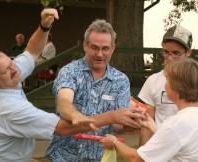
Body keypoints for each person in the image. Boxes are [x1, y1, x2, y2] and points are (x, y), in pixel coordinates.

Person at [0, 9, 145, 162]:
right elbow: (62, 123)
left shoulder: (8, 75)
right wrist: (108, 116)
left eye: (11, 62)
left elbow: (32, 51)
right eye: (6, 69)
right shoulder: (10, 108)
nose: (15, 69)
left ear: (113, 48)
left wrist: (44, 27)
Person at [45, 19, 142, 162]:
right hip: (62, 157)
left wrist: (126, 126)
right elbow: (64, 102)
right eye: (94, 48)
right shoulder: (70, 71)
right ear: (85, 46)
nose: (100, 54)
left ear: (113, 48)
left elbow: (116, 123)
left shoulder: (120, 80)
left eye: (105, 48)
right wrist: (75, 115)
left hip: (99, 158)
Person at [100, 57, 198, 162]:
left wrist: (114, 142)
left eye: (167, 81)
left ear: (176, 87)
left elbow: (137, 158)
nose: (164, 85)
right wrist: (151, 125)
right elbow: (175, 138)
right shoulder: (195, 116)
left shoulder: (176, 123)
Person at [138, 25, 193, 146]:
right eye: (166, 52)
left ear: (188, 52)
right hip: (159, 148)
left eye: (176, 53)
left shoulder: (197, 82)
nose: (169, 57)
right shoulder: (153, 81)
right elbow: (147, 120)